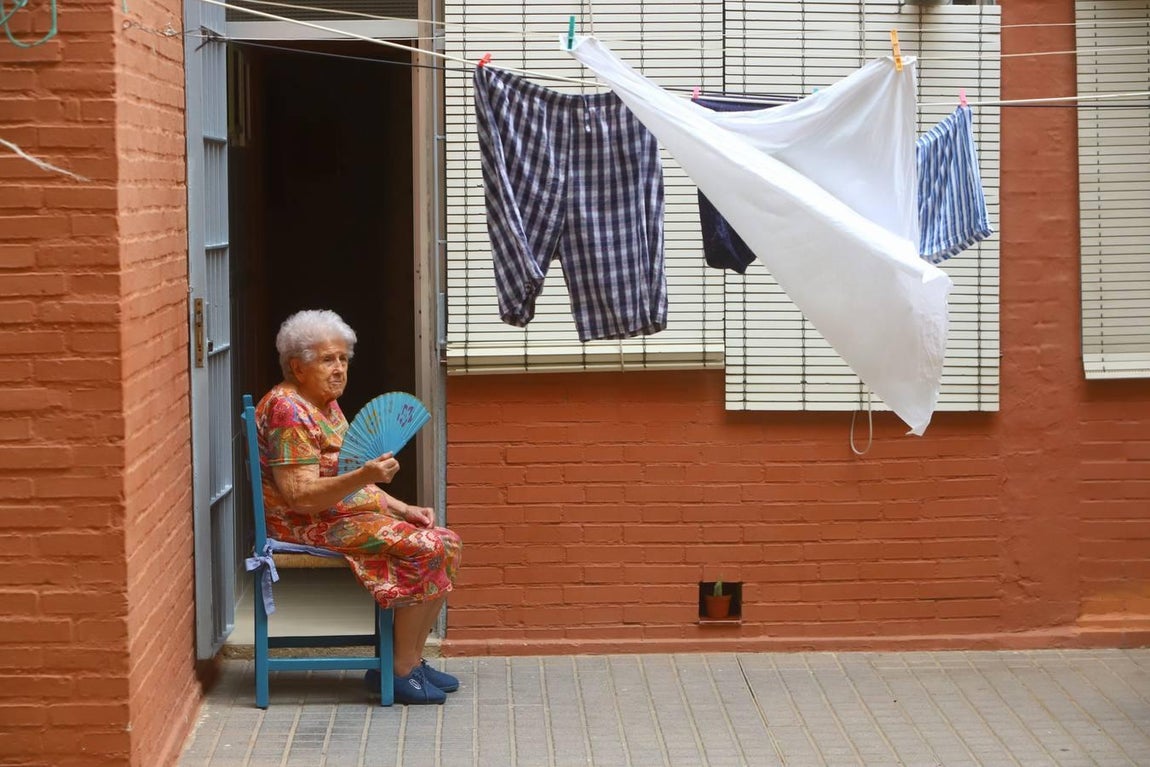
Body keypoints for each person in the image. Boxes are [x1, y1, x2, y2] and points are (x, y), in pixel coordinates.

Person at [255, 309, 462, 705]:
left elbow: (347, 473)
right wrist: (365, 476)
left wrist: (403, 509)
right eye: (327, 359)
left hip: (339, 513)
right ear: (297, 367)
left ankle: (408, 659)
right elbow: (301, 496)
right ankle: (399, 671)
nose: (339, 369)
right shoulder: (289, 410)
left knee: (446, 541)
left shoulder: (325, 404)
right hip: (304, 524)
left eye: (343, 359)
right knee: (428, 548)